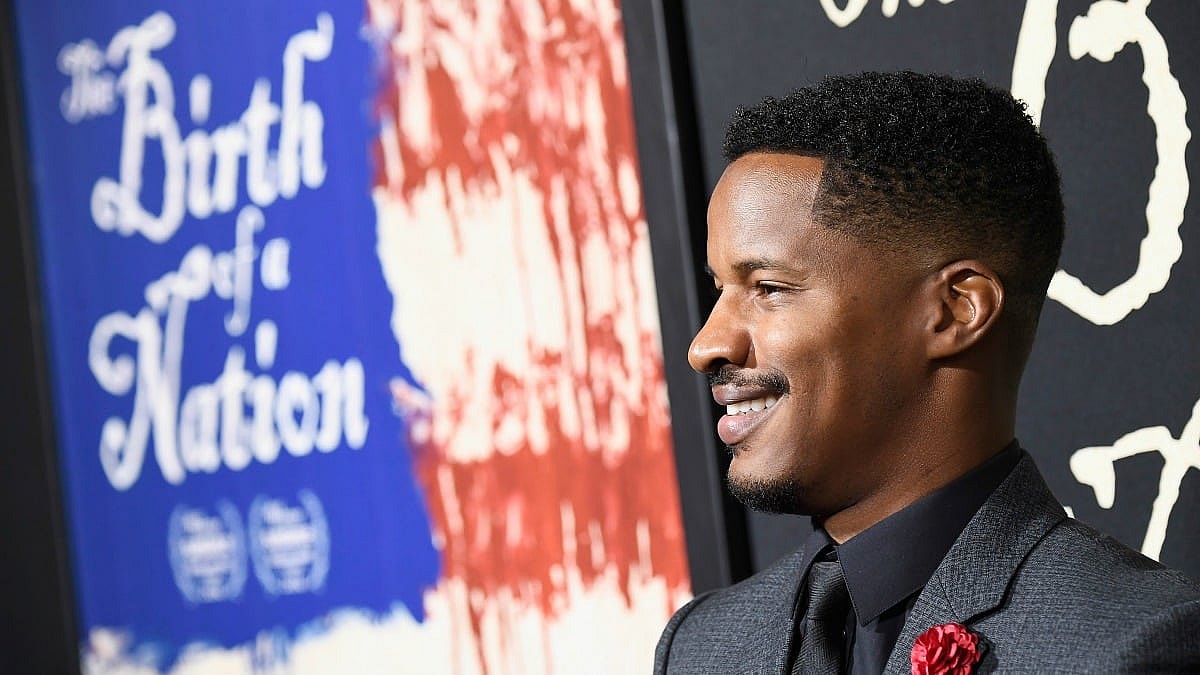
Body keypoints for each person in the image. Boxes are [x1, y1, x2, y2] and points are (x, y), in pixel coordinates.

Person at [653, 71, 1200, 674]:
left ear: (956, 310)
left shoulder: (1133, 643)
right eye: (720, 289)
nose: (705, 346)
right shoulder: (700, 647)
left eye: (770, 288)